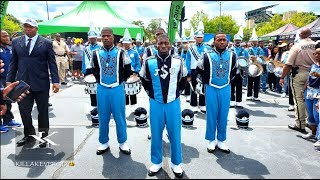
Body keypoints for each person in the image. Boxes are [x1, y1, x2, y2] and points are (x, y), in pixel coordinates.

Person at [139, 34, 187, 178]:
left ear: (170, 44)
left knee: (175, 134)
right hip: (156, 103)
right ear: (156, 45)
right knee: (156, 133)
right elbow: (144, 78)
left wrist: (177, 93)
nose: (164, 45)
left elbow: (183, 79)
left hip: (173, 103)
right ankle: (156, 162)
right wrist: (151, 94)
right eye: (161, 43)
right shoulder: (149, 62)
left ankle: (176, 163)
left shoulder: (178, 61)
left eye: (166, 43)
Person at [6, 18, 59, 147]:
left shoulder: (46, 43)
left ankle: (43, 136)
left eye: (31, 27)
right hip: (22, 84)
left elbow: (52, 63)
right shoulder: (16, 42)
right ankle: (28, 135)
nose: (28, 29)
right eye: (26, 26)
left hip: (41, 83)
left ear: (36, 29)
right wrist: (9, 80)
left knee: (42, 111)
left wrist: (56, 81)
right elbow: (13, 63)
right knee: (24, 110)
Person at [92, 27, 132, 156]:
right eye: (103, 36)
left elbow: (127, 70)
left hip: (117, 88)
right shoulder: (96, 53)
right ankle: (104, 142)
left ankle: (122, 142)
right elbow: (94, 70)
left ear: (113, 37)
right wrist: (100, 81)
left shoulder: (121, 52)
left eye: (108, 35)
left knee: (119, 116)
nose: (105, 38)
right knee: (103, 116)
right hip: (102, 88)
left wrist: (120, 81)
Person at [197, 32, 236, 155]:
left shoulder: (232, 55)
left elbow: (235, 70)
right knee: (211, 115)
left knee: (223, 115)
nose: (222, 42)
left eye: (224, 40)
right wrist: (205, 82)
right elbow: (199, 69)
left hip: (226, 87)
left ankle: (221, 140)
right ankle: (211, 140)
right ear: (214, 42)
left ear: (227, 41)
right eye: (219, 40)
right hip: (211, 87)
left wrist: (229, 81)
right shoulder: (206, 55)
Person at [279, 28, 317, 133]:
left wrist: (282, 77)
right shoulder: (316, 45)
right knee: (312, 100)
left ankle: (300, 124)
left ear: (300, 35)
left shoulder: (297, 46)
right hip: (314, 75)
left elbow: (288, 64)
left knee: (299, 99)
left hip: (300, 74)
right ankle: (312, 123)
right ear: (310, 34)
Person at [184, 21, 211, 113]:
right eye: (198, 37)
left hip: (204, 70)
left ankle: (203, 105)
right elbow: (187, 60)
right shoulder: (191, 48)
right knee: (193, 86)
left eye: (201, 37)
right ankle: (194, 104)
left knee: (204, 86)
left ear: (203, 38)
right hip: (193, 69)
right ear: (195, 38)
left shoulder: (207, 48)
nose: (199, 39)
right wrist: (187, 71)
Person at [0, 30, 22, 133]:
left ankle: (7, 120)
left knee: (8, 100)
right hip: (1, 79)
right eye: (4, 36)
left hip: (9, 79)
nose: (7, 38)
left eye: (8, 36)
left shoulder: (9, 49)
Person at [82, 26, 101, 125]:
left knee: (100, 89)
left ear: (96, 38)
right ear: (89, 38)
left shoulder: (100, 47)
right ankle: (94, 107)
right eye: (91, 38)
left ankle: (102, 107)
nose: (92, 39)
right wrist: (84, 72)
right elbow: (84, 60)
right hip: (89, 70)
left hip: (99, 70)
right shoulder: (86, 48)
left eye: (94, 38)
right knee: (91, 89)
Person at [301, 42, 320, 143]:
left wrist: (319, 76)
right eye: (315, 54)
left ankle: (318, 136)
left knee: (317, 115)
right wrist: (303, 89)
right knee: (311, 115)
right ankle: (313, 133)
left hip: (318, 94)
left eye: (319, 54)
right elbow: (309, 79)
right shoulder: (313, 65)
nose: (317, 56)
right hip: (309, 92)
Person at [122, 29, 141, 116]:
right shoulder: (120, 52)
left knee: (132, 89)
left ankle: (133, 106)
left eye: (127, 43)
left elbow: (137, 63)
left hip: (132, 72)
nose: (125, 44)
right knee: (125, 90)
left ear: (130, 43)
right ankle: (125, 106)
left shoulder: (134, 52)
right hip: (123, 73)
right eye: (124, 43)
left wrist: (136, 72)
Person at [230, 27, 249, 108]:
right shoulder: (230, 49)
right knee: (231, 86)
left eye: (239, 41)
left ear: (241, 42)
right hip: (232, 70)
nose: (237, 42)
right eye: (236, 41)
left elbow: (247, 60)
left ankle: (238, 101)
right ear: (234, 41)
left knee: (239, 86)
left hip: (240, 71)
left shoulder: (244, 51)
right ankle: (231, 100)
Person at [246, 28, 265, 101]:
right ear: (251, 42)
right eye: (253, 41)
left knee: (257, 82)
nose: (254, 43)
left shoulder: (260, 49)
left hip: (258, 67)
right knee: (250, 82)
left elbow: (263, 58)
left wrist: (257, 59)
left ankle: (256, 96)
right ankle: (249, 95)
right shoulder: (248, 49)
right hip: (250, 66)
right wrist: (250, 58)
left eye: (256, 42)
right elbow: (246, 58)